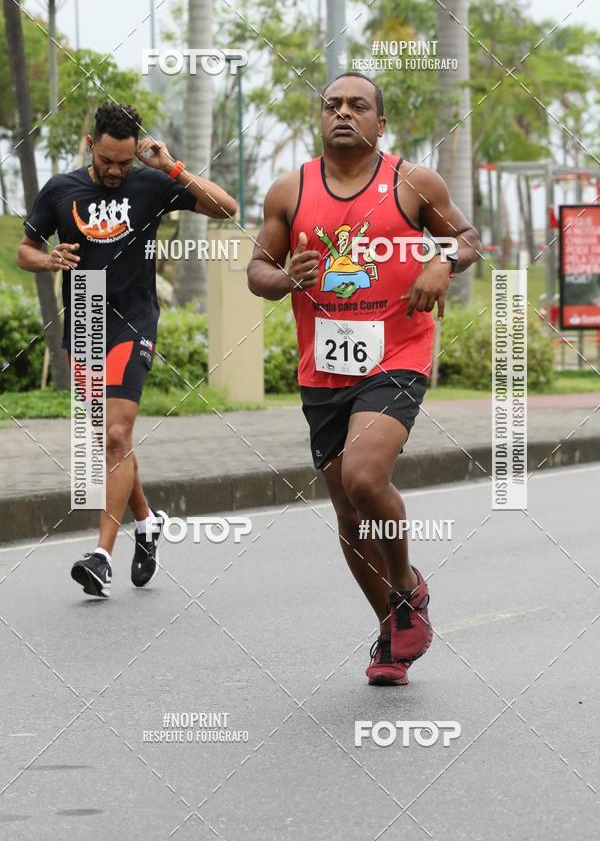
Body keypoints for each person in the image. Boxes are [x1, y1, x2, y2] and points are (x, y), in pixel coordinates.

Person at [247, 73, 480, 685]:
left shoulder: (412, 183)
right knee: (350, 517)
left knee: (364, 476)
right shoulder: (288, 191)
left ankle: (407, 587)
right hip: (322, 369)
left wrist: (440, 261)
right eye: (333, 105)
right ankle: (391, 632)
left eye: (358, 106)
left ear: (381, 124)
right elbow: (257, 271)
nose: (343, 113)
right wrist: (285, 278)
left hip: (397, 354)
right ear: (320, 119)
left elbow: (467, 237)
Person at [18, 102, 237, 599]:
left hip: (134, 319)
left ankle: (100, 556)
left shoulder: (151, 183)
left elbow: (227, 207)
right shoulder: (60, 189)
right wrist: (48, 259)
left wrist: (170, 166)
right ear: (91, 143)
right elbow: (25, 250)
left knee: (116, 435)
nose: (116, 172)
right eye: (107, 161)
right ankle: (147, 519)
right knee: (110, 442)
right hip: (87, 318)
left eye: (124, 162)